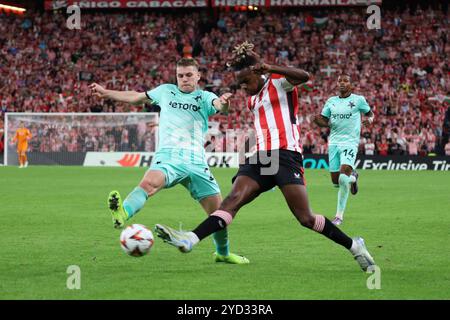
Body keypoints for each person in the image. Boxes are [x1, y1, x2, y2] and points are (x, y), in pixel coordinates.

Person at [154, 42, 375, 272]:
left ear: (258, 74)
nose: (244, 88)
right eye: (240, 84)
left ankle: (354, 246)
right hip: (262, 157)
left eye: (246, 81)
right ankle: (191, 239)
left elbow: (305, 76)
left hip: (287, 155)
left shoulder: (281, 84)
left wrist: (269, 67)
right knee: (231, 201)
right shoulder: (251, 100)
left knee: (305, 218)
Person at [89, 58, 249, 264]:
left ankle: (223, 253)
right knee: (148, 184)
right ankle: (122, 213)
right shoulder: (165, 91)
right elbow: (137, 98)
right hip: (169, 156)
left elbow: (219, 105)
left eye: (189, 75)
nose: (184, 79)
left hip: (196, 161)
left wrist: (224, 104)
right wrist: (106, 92)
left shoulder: (205, 97)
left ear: (198, 76)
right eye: (180, 75)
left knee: (219, 212)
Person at [313, 74, 375, 225]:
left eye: (345, 81)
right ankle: (353, 178)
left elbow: (370, 113)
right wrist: (319, 121)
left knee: (342, 178)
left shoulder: (358, 100)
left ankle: (339, 216)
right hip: (334, 142)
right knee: (336, 181)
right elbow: (324, 120)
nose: (342, 83)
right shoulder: (331, 101)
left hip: (350, 142)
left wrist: (369, 120)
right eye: (339, 80)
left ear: (350, 84)